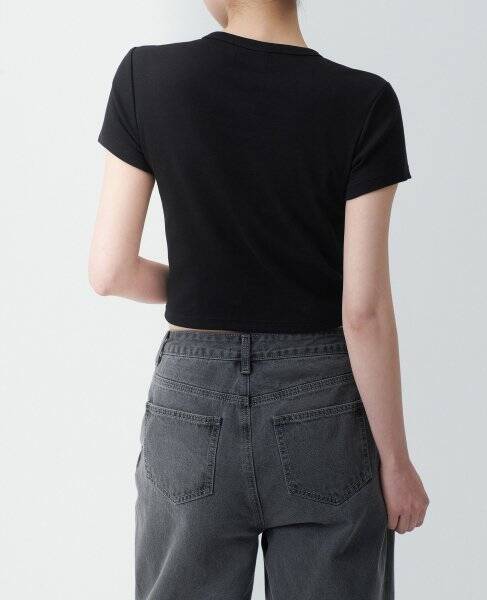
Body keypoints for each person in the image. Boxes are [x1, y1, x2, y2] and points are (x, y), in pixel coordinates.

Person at [89, 1, 429, 598]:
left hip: (192, 403)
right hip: (322, 407)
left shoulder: (146, 76)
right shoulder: (364, 101)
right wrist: (396, 464)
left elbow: (110, 271)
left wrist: (205, 283)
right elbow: (363, 311)